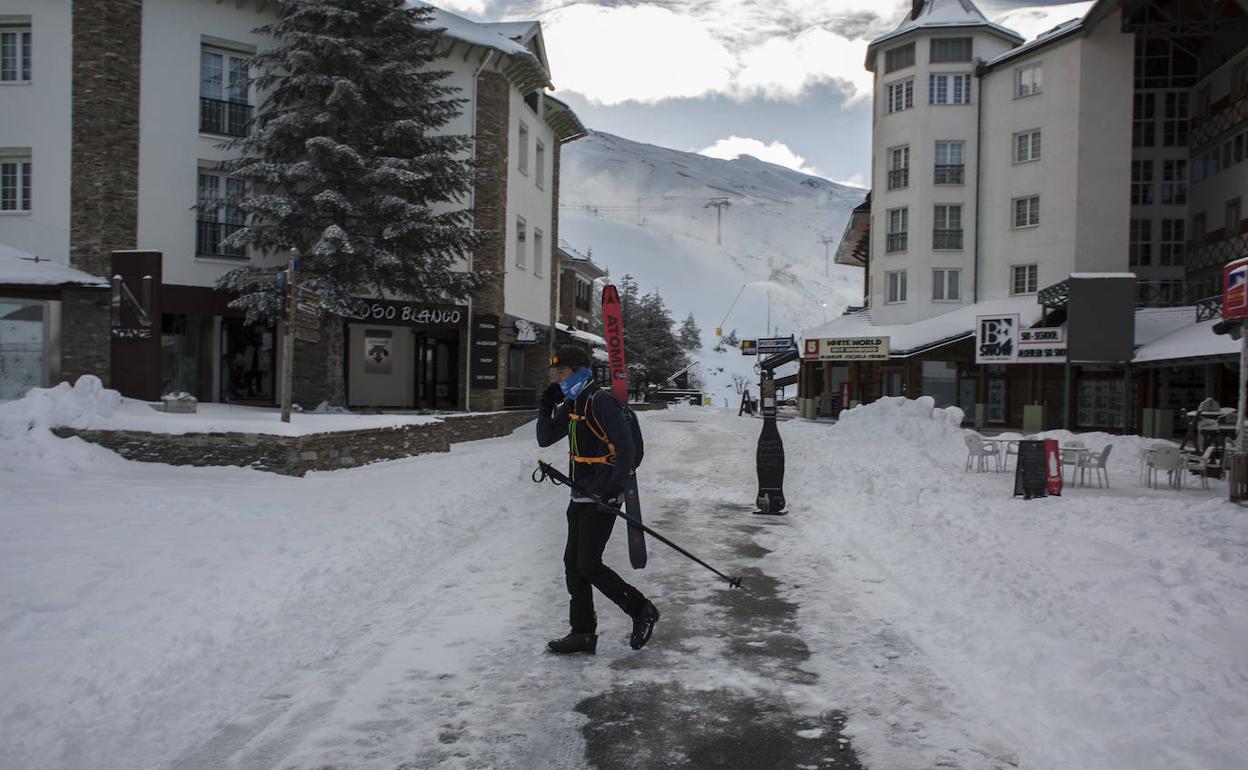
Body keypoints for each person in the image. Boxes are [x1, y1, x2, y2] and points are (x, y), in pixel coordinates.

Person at [536, 344, 659, 655]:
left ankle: (641, 609)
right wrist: (544, 407)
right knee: (572, 564)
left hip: (603, 493)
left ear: (578, 370)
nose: (557, 377)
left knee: (588, 564)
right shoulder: (574, 401)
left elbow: (625, 447)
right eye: (555, 372)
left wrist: (615, 488)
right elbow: (545, 438)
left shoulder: (599, 400)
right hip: (580, 493)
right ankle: (582, 634)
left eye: (561, 371)